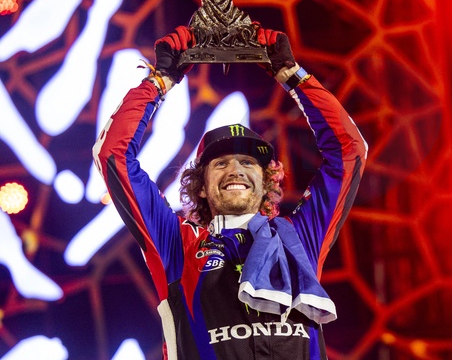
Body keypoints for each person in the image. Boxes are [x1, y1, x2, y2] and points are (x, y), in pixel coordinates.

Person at [93, 24, 367, 359]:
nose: (235, 170)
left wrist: (293, 76)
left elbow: (350, 151)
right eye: (221, 163)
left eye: (248, 162)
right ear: (201, 187)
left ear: (267, 181)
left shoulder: (300, 238)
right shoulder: (177, 246)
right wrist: (160, 80)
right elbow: (114, 155)